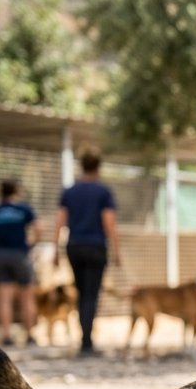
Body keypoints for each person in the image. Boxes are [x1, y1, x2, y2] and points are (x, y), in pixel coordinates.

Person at [55, 148, 120, 357]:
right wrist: (116, 250)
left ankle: (84, 339)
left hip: (74, 246)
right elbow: (109, 223)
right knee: (91, 294)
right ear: (98, 167)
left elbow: (60, 221)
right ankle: (86, 343)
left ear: (81, 166)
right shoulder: (103, 192)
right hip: (95, 247)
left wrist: (55, 249)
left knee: (82, 293)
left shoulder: (70, 191)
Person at [0, 178, 41, 347]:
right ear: (16, 190)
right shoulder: (23, 209)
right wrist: (31, 243)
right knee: (27, 296)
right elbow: (39, 228)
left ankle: (7, 336)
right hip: (20, 254)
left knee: (4, 298)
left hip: (0, 254)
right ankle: (30, 335)